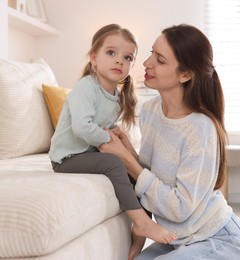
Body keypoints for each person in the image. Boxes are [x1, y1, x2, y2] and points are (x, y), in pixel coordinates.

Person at [99, 24, 240, 260]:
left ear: (185, 74)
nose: (147, 63)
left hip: (216, 237)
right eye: (151, 53)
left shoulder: (200, 129)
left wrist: (128, 161)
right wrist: (130, 153)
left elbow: (180, 208)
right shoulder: (150, 111)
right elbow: (151, 178)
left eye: (160, 60)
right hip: (176, 240)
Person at [48, 24, 177, 246]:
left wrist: (114, 133)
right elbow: (82, 127)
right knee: (114, 164)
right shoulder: (86, 87)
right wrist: (109, 139)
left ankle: (141, 232)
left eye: (127, 57)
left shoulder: (116, 96)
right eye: (111, 53)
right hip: (67, 157)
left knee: (139, 173)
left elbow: (101, 124)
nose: (119, 60)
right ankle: (140, 221)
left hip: (86, 153)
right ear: (93, 58)